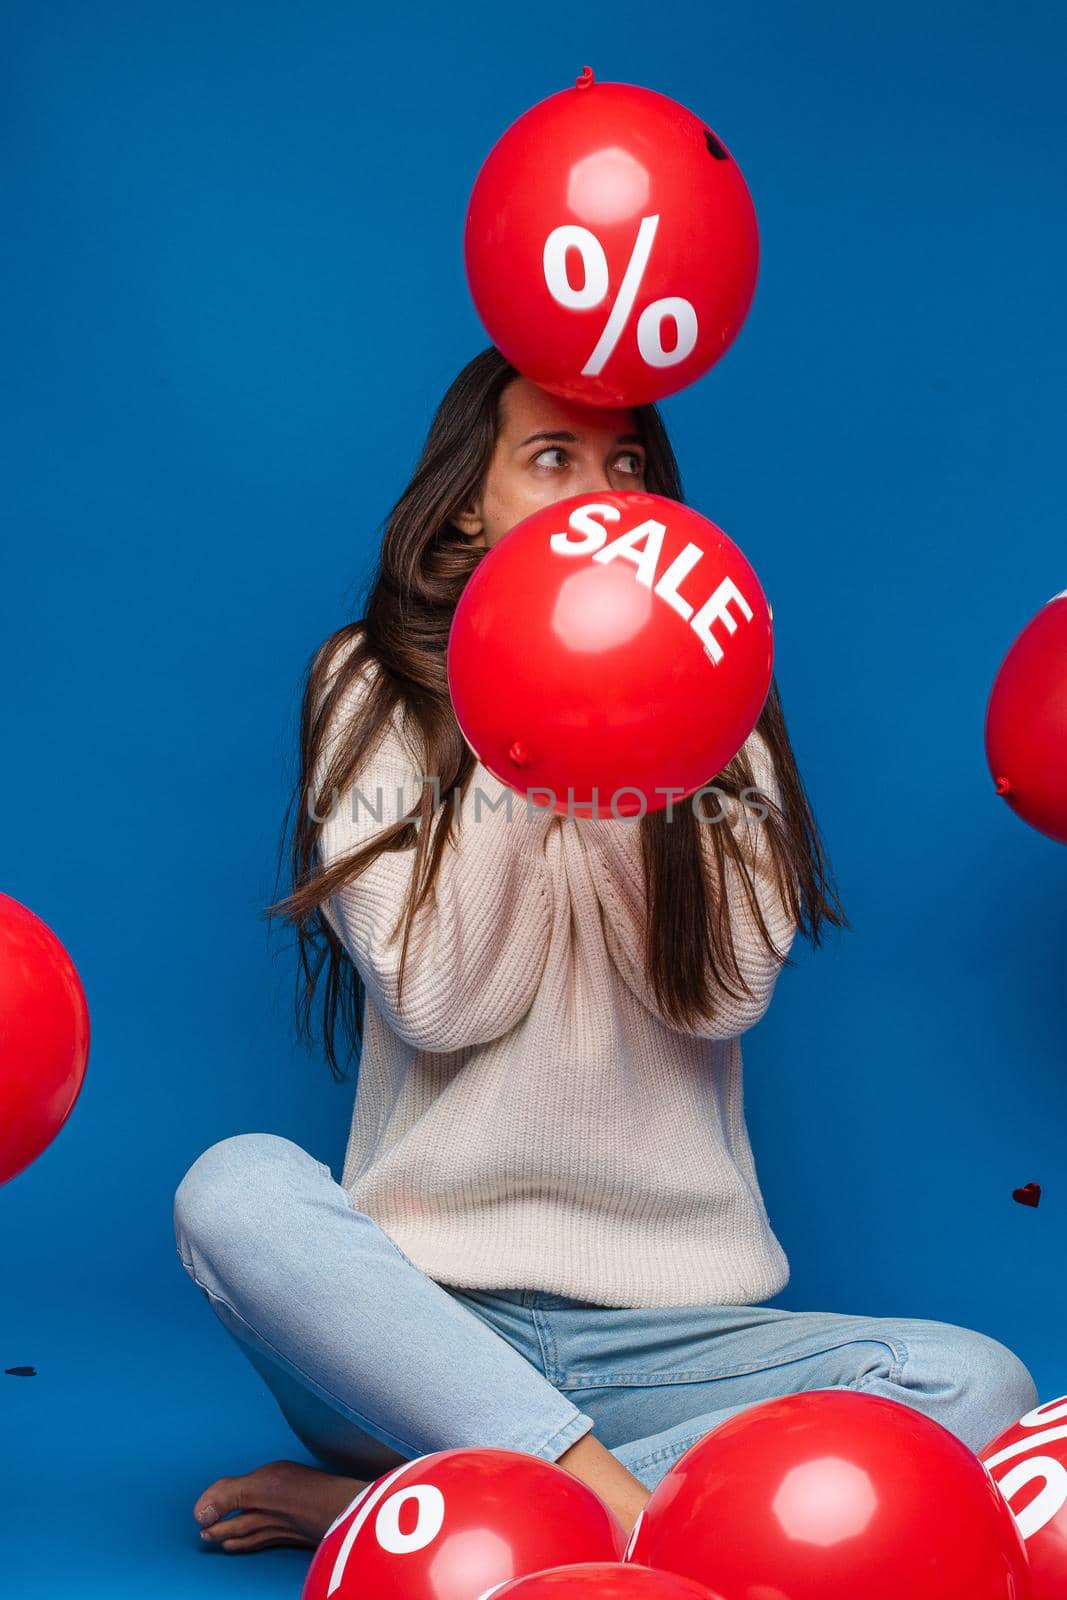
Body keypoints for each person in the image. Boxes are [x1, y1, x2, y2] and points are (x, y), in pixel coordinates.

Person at [173, 346, 1039, 1556]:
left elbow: (720, 995)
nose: (601, 492)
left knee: (973, 1385)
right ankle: (612, 1508)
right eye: (551, 459)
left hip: (667, 1350)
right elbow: (439, 996)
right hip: (415, 1340)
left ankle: (478, 1507)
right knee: (232, 1187)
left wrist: (640, 725)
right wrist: (522, 708)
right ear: (469, 500)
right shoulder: (369, 681)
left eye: (626, 464)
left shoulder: (722, 707)